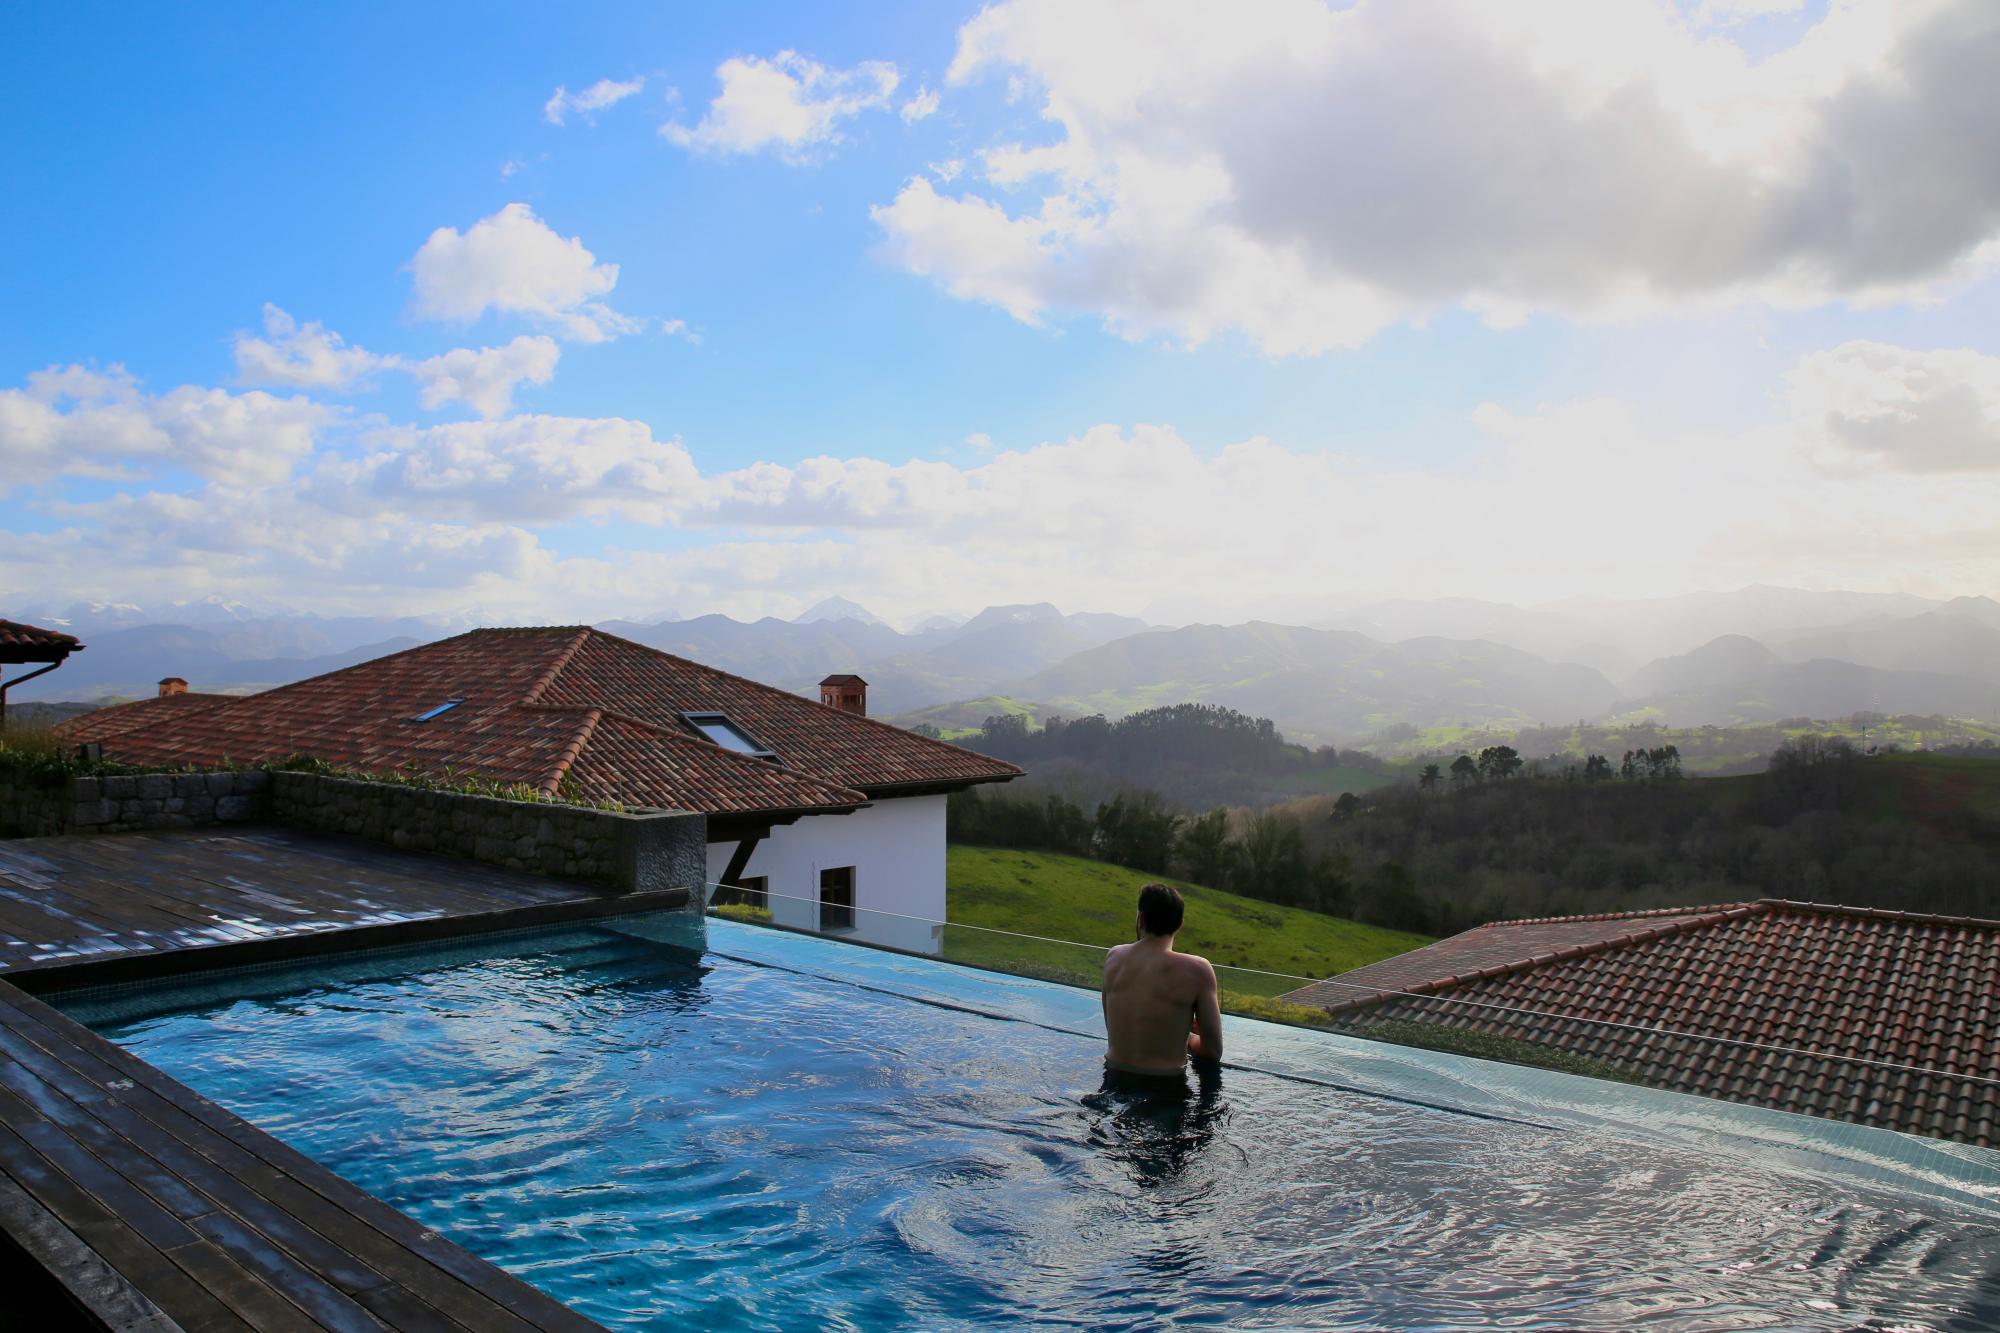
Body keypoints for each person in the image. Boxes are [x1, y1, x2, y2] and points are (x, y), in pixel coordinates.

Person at [1100, 882, 1223, 1087]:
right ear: (1180, 923)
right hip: (1164, 1086)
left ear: (1141, 918)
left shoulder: (1113, 957)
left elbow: (1113, 1027)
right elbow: (1213, 1052)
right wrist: (1189, 1037)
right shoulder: (1198, 970)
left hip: (1113, 1077)